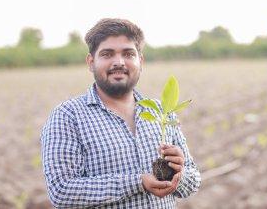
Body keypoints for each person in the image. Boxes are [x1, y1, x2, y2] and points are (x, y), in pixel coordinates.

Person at [41, 18, 201, 208]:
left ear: (140, 61)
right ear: (91, 62)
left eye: (128, 54)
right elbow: (62, 191)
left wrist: (178, 174)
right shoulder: (67, 117)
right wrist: (138, 182)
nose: (119, 62)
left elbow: (192, 182)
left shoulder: (161, 112)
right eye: (107, 54)